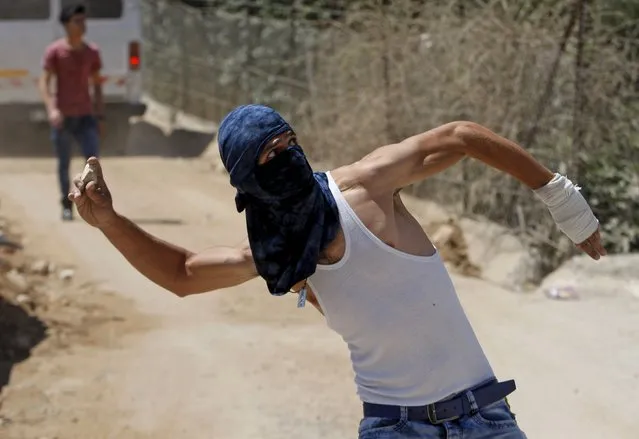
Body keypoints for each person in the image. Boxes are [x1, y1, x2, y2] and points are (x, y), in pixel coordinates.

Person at [68, 105, 606, 439]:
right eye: (267, 154)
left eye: (288, 142)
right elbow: (183, 273)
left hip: (484, 417)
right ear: (244, 181)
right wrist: (109, 222)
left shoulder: (364, 187)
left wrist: (561, 199)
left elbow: (461, 136)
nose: (285, 156)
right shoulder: (277, 255)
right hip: (394, 429)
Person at [39, 3, 105, 222]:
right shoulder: (56, 52)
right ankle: (65, 204)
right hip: (63, 118)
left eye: (84, 20)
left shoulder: (91, 52)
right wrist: (52, 109)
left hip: (86, 115)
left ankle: (90, 202)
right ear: (67, 25)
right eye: (77, 20)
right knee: (63, 163)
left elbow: (96, 84)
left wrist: (99, 113)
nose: (82, 24)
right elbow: (44, 82)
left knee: (92, 161)